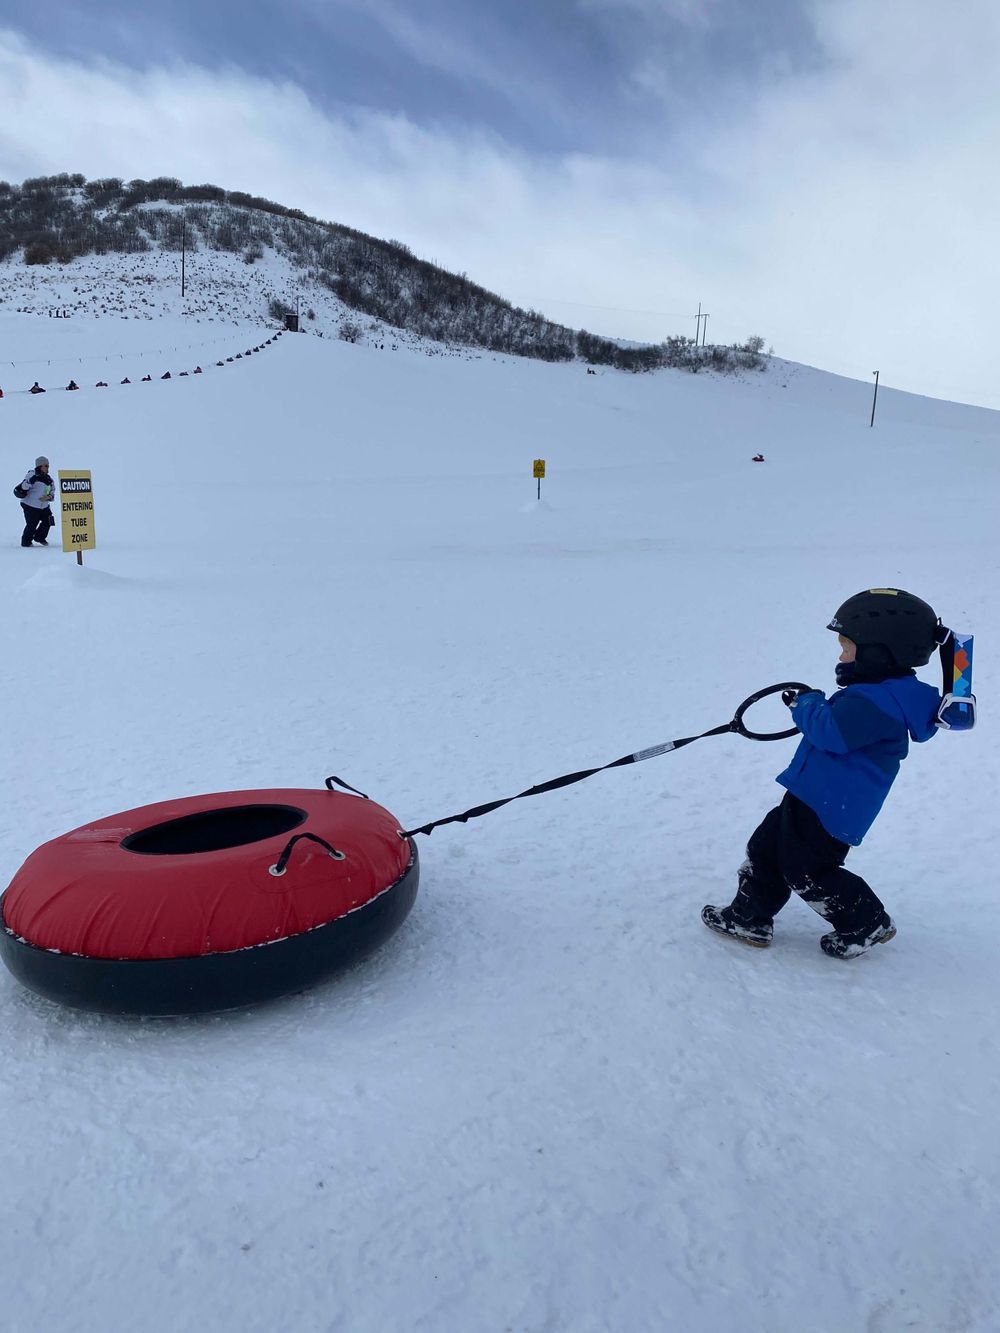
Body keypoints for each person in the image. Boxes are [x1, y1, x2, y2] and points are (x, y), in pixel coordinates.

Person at [702, 589, 943, 959]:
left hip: (832, 805)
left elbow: (830, 733)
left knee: (807, 869)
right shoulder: (884, 694)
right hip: (815, 793)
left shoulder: (876, 703)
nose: (841, 656)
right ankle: (749, 916)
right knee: (766, 847)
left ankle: (865, 921)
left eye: (847, 647)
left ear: (882, 651)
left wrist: (807, 703)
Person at [17, 455, 55, 548]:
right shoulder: (31, 474)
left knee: (49, 521)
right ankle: (26, 543)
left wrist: (49, 497)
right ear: (39, 466)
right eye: (45, 466)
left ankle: (39, 537)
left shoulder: (49, 479)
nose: (47, 468)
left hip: (44, 506)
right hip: (30, 505)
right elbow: (23, 487)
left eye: (48, 466)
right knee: (32, 524)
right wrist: (32, 480)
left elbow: (53, 491)